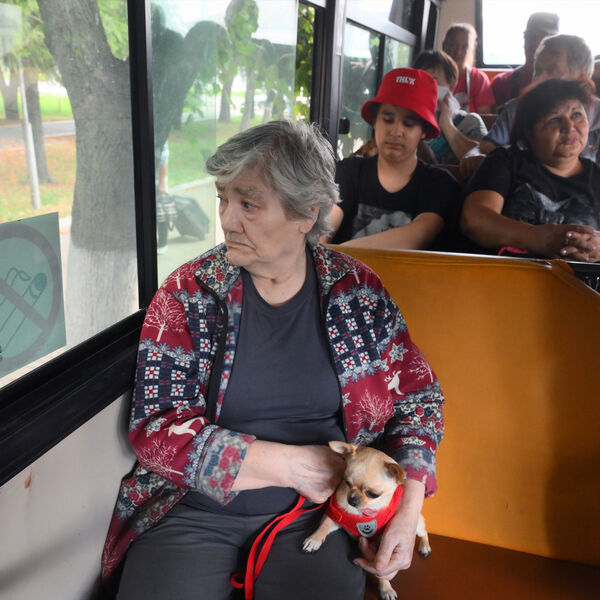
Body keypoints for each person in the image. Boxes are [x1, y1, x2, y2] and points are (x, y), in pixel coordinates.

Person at [100, 120, 445, 599]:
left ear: (306, 213)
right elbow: (156, 428)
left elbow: (419, 402)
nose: (227, 219)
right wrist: (289, 464)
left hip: (319, 514)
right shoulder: (189, 294)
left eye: (247, 204)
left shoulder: (358, 294)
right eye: (222, 199)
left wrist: (406, 509)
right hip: (193, 508)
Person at [460, 79, 600, 262]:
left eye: (576, 115)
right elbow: (474, 219)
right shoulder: (505, 162)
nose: (569, 127)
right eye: (555, 119)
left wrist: (596, 248)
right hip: (509, 274)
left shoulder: (596, 178)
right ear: (529, 133)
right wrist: (542, 239)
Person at [325, 67, 459, 249]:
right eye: (388, 120)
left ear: (423, 131)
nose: (396, 132)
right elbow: (323, 229)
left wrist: (336, 256)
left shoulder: (439, 185)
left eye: (408, 124)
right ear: (375, 121)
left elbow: (420, 232)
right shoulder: (348, 172)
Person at [460, 34, 600, 179]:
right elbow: (487, 146)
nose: (539, 78)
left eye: (552, 70)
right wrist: (474, 156)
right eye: (537, 70)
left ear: (581, 78)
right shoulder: (517, 110)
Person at [412, 50, 488, 164]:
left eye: (432, 81)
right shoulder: (409, 123)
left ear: (451, 85)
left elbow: (482, 163)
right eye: (421, 82)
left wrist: (447, 125)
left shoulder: (470, 122)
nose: (425, 89)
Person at [491, 12, 559, 109]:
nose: (536, 43)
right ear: (524, 40)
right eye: (531, 37)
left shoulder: (569, 85)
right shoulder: (502, 83)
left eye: (544, 39)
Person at [442, 23, 495, 114]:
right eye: (453, 45)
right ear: (444, 46)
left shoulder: (479, 79)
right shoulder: (431, 75)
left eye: (464, 47)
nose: (458, 51)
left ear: (471, 51)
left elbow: (485, 119)